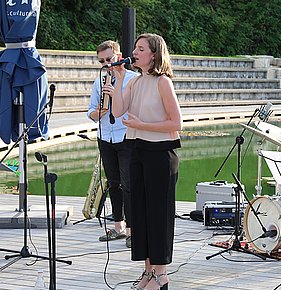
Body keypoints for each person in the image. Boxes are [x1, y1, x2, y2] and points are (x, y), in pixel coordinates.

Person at [110, 33, 182, 290]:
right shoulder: (134, 81)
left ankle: (161, 274)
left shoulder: (163, 82)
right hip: (138, 150)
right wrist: (118, 79)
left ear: (154, 54)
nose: (135, 52)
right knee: (139, 213)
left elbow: (176, 123)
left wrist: (142, 124)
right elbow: (118, 111)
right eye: (135, 48)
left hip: (161, 153)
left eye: (141, 48)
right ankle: (148, 272)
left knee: (158, 214)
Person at [88, 40, 139, 248]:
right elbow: (91, 113)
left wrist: (116, 97)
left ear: (119, 56)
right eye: (101, 61)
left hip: (126, 137)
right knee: (113, 183)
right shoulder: (99, 82)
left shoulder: (134, 79)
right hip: (105, 137)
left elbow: (136, 110)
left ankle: (132, 231)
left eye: (109, 59)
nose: (106, 64)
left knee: (129, 184)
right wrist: (103, 105)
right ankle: (118, 226)